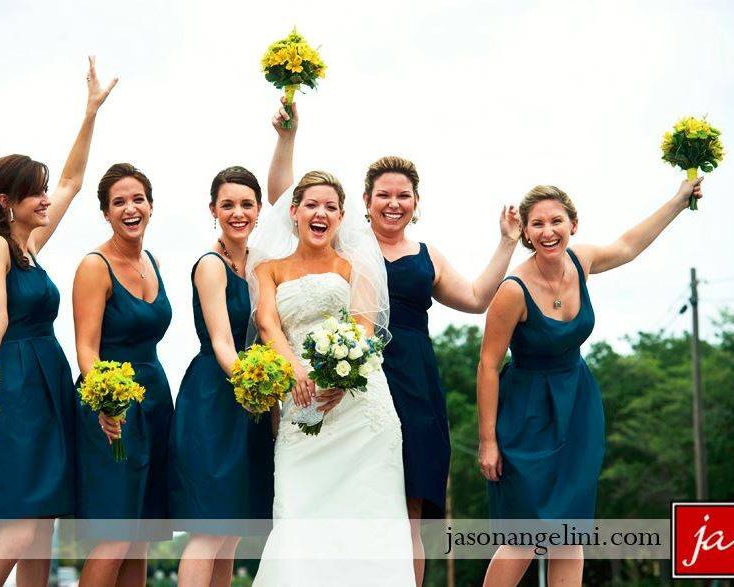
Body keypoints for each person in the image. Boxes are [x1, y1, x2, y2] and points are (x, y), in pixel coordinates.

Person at [268, 99, 520, 585]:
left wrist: (506, 243)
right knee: (357, 503)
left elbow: (474, 298)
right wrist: (288, 138)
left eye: (404, 195)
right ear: (365, 201)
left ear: (415, 202)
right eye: (384, 194)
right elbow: (286, 199)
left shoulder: (428, 255)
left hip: (416, 379)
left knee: (409, 510)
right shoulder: (342, 242)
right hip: (350, 380)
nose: (394, 203)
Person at [477, 178, 704, 586]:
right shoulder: (512, 291)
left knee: (570, 533)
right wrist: (488, 441)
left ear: (573, 224)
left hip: (577, 405)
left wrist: (678, 199)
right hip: (526, 414)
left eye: (556, 221)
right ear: (526, 233)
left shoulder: (582, 262)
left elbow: (629, 245)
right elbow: (488, 366)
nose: (548, 231)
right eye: (538, 224)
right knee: (522, 536)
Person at [0, 56, 115, 587]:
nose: (47, 198)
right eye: (35, 192)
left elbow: (73, 179)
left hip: (47, 382)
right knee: (22, 526)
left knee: (42, 527)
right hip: (14, 386)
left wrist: (90, 111)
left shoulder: (28, 245)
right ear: (7, 201)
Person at [249, 169, 415, 586]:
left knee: (368, 514)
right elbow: (268, 325)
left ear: (341, 217)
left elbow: (362, 328)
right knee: (299, 508)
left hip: (359, 405)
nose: (320, 213)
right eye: (312, 205)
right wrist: (296, 369)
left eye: (330, 207)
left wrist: (340, 379)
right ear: (294, 212)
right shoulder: (268, 269)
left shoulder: (354, 266)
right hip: (301, 398)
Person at [168, 166, 274, 586]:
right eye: (228, 204)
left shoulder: (258, 263)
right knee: (209, 528)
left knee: (231, 531)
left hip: (250, 403)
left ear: (259, 209)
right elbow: (222, 344)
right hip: (214, 397)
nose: (238, 213)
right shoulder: (210, 265)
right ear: (213, 209)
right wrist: (260, 386)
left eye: (247, 204)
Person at [72, 163, 173, 587]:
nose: (130, 209)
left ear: (151, 205)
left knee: (142, 533)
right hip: (111, 407)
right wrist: (107, 404)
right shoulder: (94, 266)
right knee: (115, 533)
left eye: (138, 199)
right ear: (106, 212)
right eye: (119, 203)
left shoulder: (151, 260)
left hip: (155, 400)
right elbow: (86, 349)